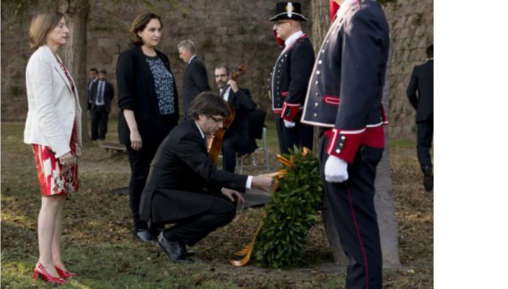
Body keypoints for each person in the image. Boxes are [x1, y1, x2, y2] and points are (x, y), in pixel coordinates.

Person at [301, 0, 390, 288]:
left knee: (360, 246)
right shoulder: (352, 13)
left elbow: (358, 87)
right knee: (356, 243)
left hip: (353, 143)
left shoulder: (361, 15)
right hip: (347, 140)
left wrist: (341, 151)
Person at [139, 92, 274, 264]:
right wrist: (253, 181)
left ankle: (177, 239)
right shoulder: (187, 136)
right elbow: (209, 173)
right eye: (217, 120)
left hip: (176, 190)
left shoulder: (192, 131)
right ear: (201, 115)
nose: (220, 125)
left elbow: (199, 172)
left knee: (228, 202)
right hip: (162, 197)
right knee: (223, 210)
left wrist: (222, 189)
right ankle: (171, 238)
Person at [24, 11, 82, 285]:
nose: (66, 30)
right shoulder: (40, 61)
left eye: (66, 25)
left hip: (62, 140)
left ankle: (56, 260)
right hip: (49, 141)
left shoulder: (55, 60)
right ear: (45, 29)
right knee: (50, 200)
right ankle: (43, 262)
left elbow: (68, 106)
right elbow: (45, 109)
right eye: (60, 25)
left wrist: (72, 143)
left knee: (59, 199)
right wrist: (61, 147)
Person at [116, 12, 179, 242]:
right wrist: (133, 130)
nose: (157, 34)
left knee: (161, 177)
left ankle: (158, 222)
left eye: (159, 30)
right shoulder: (129, 58)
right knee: (141, 176)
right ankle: (140, 224)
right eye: (152, 29)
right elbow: (126, 98)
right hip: (139, 130)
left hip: (164, 129)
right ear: (139, 31)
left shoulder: (163, 58)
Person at [269, 2, 315, 154]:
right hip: (286, 115)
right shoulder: (291, 46)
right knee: (287, 159)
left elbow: (299, 82)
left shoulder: (301, 46)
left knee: (296, 162)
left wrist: (289, 113)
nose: (275, 28)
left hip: (295, 117)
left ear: (290, 23)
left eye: (279, 23)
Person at [213, 64, 257, 172]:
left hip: (239, 135)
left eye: (222, 76)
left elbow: (251, 107)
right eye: (217, 76)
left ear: (229, 76)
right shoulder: (215, 97)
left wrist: (236, 90)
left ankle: (229, 179)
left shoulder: (242, 92)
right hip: (221, 134)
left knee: (227, 144)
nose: (219, 79)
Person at [407, 44, 434, 192]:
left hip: (424, 113)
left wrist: (419, 107)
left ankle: (427, 168)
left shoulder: (419, 70)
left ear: (426, 55)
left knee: (423, 145)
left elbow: (410, 92)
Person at [178, 39, 211, 116]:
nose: (180, 56)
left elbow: (203, 86)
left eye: (181, 53)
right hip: (193, 108)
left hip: (195, 108)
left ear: (188, 51)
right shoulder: (193, 64)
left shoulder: (195, 64)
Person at [88, 69, 114, 141]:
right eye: (101, 75)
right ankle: (94, 136)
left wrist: (106, 101)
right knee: (94, 121)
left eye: (103, 75)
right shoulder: (94, 84)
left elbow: (111, 95)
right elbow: (92, 94)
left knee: (103, 122)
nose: (102, 76)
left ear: (106, 76)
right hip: (95, 106)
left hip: (104, 106)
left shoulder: (109, 85)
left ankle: (102, 136)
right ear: (99, 75)